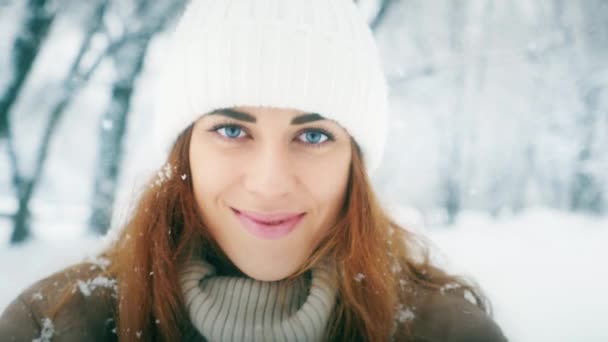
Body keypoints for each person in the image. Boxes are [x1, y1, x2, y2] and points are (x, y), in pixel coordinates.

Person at [0, 0, 507, 341]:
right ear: (184, 151)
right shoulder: (56, 323)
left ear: (355, 163)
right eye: (231, 131)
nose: (269, 183)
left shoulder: (447, 331)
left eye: (313, 136)